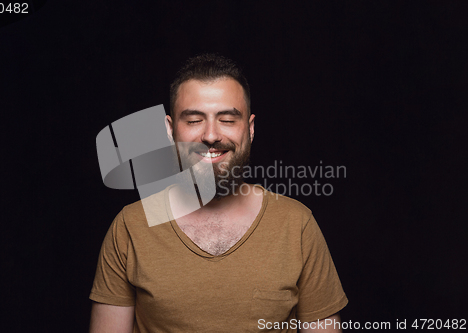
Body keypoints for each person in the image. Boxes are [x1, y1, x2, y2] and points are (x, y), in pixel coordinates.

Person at [89, 54, 348, 332]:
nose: (211, 135)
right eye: (193, 120)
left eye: (226, 119)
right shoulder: (130, 227)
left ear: (249, 129)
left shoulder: (297, 225)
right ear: (170, 129)